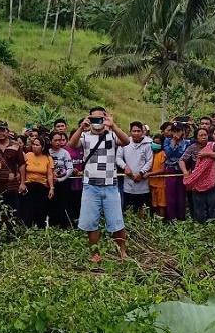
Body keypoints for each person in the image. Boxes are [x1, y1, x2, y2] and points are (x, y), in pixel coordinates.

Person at [68, 107, 130, 262]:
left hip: (110, 185)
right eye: (93, 119)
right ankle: (95, 253)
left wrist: (113, 125)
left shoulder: (111, 135)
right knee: (91, 222)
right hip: (90, 186)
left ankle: (122, 251)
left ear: (105, 119)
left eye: (100, 119)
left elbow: (126, 141)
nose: (97, 122)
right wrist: (81, 127)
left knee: (116, 221)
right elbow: (71, 144)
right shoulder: (85, 136)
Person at [0, 121, 27, 221]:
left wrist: (22, 183)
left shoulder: (16, 146)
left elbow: (22, 165)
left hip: (12, 185)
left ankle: (12, 235)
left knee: (13, 213)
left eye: (3, 130)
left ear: (7, 131)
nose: (1, 133)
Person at [179, 128, 215, 223]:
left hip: (211, 180)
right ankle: (199, 226)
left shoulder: (212, 145)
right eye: (201, 136)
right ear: (196, 138)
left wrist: (208, 154)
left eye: (205, 135)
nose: (203, 137)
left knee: (212, 204)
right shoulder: (192, 148)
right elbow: (181, 161)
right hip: (197, 181)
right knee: (198, 206)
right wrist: (185, 172)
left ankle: (213, 226)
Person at [117, 121, 153, 214]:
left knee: (142, 210)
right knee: (128, 210)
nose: (136, 133)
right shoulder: (125, 143)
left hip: (143, 183)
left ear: (142, 132)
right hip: (128, 182)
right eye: (134, 131)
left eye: (138, 131)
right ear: (130, 131)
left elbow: (149, 161)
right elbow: (118, 157)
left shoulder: (148, 144)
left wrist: (141, 173)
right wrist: (125, 167)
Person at [22, 137, 55, 228]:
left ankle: (40, 228)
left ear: (43, 147)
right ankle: (27, 228)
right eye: (33, 144)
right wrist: (22, 183)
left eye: (37, 145)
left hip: (42, 186)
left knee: (40, 208)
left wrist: (51, 188)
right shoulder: (28, 155)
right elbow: (23, 170)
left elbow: (50, 174)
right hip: (29, 185)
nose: (34, 147)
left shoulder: (48, 158)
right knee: (28, 208)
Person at [163, 122, 190, 221]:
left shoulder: (187, 143)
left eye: (178, 130)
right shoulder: (167, 141)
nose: (176, 133)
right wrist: (173, 142)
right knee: (170, 196)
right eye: (174, 131)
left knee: (181, 196)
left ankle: (181, 218)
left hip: (183, 172)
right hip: (171, 170)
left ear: (183, 131)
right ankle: (171, 218)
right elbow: (168, 154)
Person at [49, 132, 74, 228]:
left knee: (63, 204)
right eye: (55, 140)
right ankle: (51, 224)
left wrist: (60, 179)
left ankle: (64, 225)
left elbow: (70, 168)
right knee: (51, 204)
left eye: (60, 140)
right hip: (49, 183)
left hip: (62, 183)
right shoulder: (47, 151)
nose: (58, 142)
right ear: (51, 141)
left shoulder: (65, 153)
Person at [146, 134, 167, 218]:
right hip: (152, 184)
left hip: (160, 184)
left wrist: (149, 174)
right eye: (154, 142)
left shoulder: (162, 154)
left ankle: (161, 222)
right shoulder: (151, 154)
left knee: (161, 204)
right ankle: (156, 221)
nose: (155, 145)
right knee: (155, 205)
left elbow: (162, 170)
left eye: (157, 143)